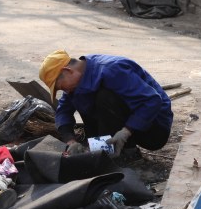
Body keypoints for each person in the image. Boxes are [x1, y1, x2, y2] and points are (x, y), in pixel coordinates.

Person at [39, 50, 173, 157]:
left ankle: (128, 151)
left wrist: (126, 131)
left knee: (104, 96)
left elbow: (152, 101)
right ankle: (106, 150)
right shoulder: (77, 81)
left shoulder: (112, 70)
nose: (64, 91)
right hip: (125, 124)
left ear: (68, 71)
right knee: (82, 96)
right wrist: (70, 141)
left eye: (61, 87)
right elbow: (63, 111)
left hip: (154, 128)